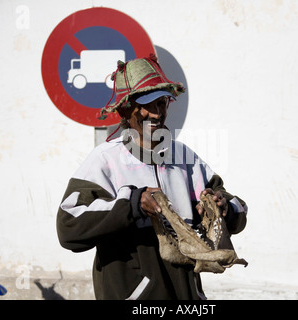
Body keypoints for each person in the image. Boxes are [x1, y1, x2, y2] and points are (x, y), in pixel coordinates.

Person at [56, 54, 247, 300]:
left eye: (162, 103)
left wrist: (221, 207)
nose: (157, 114)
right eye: (147, 105)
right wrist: (133, 204)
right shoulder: (105, 160)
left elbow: (237, 211)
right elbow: (68, 227)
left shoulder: (183, 157)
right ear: (126, 108)